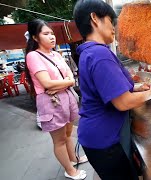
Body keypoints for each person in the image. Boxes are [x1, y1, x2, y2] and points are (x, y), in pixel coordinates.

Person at [73, 1, 151, 179]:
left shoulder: (89, 52)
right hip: (104, 139)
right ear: (94, 18)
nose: (114, 26)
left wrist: (136, 87)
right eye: (109, 19)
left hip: (94, 136)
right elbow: (123, 103)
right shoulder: (99, 54)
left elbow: (103, 88)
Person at [25, 19, 88, 180]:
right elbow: (46, 83)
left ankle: (73, 158)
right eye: (46, 34)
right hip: (51, 101)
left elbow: (71, 76)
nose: (52, 37)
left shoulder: (55, 54)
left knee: (68, 133)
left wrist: (63, 83)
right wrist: (67, 82)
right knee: (59, 140)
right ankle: (69, 170)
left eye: (52, 33)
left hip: (66, 97)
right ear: (35, 37)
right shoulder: (33, 56)